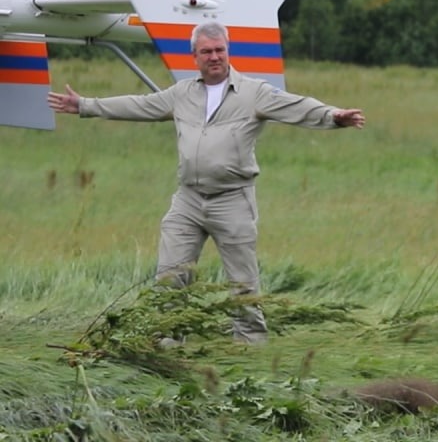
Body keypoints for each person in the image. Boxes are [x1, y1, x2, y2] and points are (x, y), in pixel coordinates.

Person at [47, 21, 365, 344]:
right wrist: (85, 105)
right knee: (170, 280)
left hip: (233, 200)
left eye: (219, 50)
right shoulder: (182, 93)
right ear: (194, 56)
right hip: (188, 201)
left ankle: (250, 352)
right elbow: (139, 105)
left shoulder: (254, 93)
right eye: (206, 52)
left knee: (243, 286)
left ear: (228, 51)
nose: (214, 57)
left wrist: (332, 116)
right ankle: (167, 349)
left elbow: (296, 105)